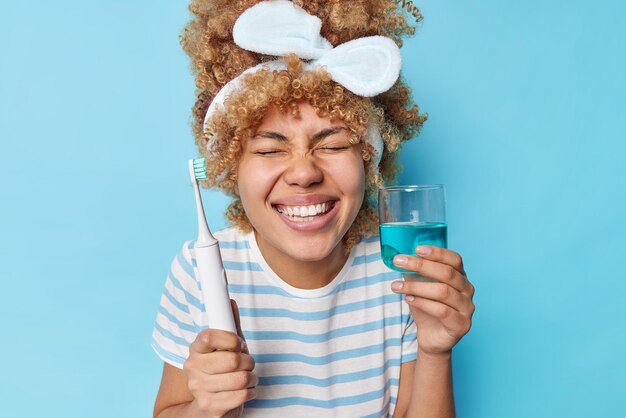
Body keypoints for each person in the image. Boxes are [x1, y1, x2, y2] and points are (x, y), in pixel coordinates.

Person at [151, 1, 475, 417]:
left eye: (334, 145)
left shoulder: (400, 271)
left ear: (369, 159)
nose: (304, 173)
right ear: (231, 168)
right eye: (270, 148)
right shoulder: (201, 270)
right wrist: (206, 408)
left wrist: (435, 350)